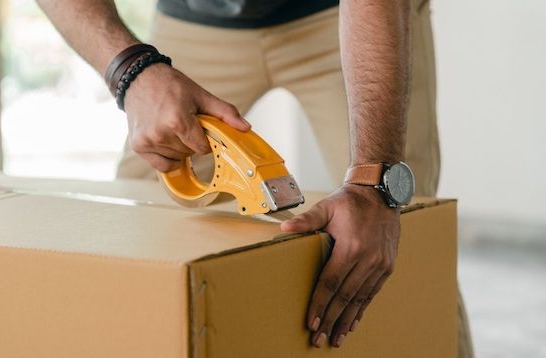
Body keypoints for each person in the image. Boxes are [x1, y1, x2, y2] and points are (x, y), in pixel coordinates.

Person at [38, 0, 473, 355]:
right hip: (196, 20)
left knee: (401, 232)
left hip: (340, 14)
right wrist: (131, 71)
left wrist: (374, 182)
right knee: (143, 218)